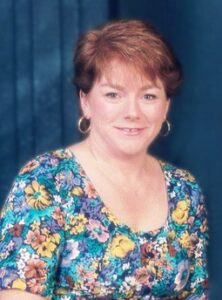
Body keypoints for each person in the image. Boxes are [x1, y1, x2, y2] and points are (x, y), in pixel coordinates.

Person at [0, 19, 208, 300]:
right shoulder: (45, 181)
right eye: (113, 94)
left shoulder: (184, 190)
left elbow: (195, 294)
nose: (132, 112)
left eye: (148, 95)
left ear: (166, 105)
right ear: (85, 101)